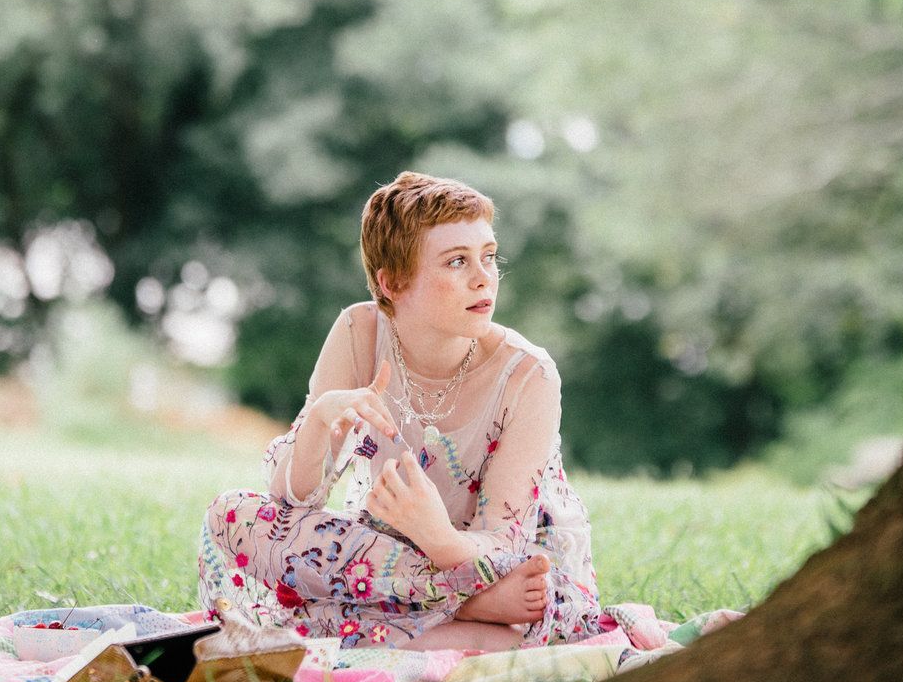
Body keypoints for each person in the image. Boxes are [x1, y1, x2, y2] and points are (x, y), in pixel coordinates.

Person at [198, 171, 607, 651]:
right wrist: (320, 423)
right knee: (231, 516)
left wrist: (440, 539)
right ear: (392, 282)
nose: (483, 277)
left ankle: (367, 628)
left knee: (533, 603)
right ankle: (461, 617)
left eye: (489, 257)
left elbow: (505, 543)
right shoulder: (360, 331)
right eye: (457, 261)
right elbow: (295, 503)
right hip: (403, 565)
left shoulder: (529, 376)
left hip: (512, 572)